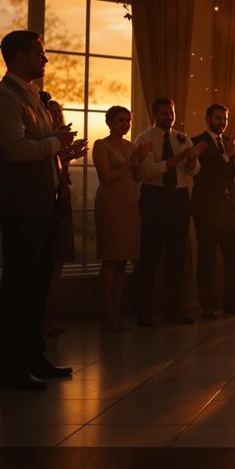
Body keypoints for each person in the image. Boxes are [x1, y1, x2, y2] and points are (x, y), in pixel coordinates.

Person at [0, 30, 76, 391]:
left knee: (37, 286)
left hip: (43, 202)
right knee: (18, 287)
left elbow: (39, 147)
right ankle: (12, 368)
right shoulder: (4, 97)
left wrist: (59, 152)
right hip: (21, 206)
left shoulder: (33, 97)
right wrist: (56, 141)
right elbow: (17, 149)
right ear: (18, 56)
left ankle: (34, 356)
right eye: (39, 53)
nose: (46, 59)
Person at [134, 97, 206, 326]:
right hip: (154, 198)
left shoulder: (182, 138)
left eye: (172, 113)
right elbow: (145, 172)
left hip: (179, 199)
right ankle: (144, 312)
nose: (170, 117)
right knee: (149, 257)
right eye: (165, 114)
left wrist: (192, 160)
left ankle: (175, 310)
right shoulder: (144, 139)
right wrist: (174, 161)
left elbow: (194, 172)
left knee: (177, 257)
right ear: (154, 115)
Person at [93, 106, 150, 332]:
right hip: (109, 204)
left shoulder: (131, 146)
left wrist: (141, 159)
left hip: (129, 205)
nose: (124, 125)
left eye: (127, 121)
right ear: (108, 121)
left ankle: (117, 313)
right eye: (119, 120)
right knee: (110, 259)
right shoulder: (101, 145)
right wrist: (131, 161)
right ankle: (107, 313)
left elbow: (136, 178)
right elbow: (106, 177)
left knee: (123, 261)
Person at [191, 104, 235, 319]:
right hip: (207, 209)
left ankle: (231, 303)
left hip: (230, 209)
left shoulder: (228, 142)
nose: (222, 123)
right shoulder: (196, 142)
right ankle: (207, 306)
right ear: (208, 119)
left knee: (232, 258)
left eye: (224, 119)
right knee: (206, 258)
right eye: (218, 118)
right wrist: (226, 155)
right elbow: (205, 175)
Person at [42, 98, 88, 337]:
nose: (57, 115)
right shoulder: (41, 142)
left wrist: (68, 156)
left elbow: (61, 172)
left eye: (59, 112)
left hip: (62, 198)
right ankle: (41, 319)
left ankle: (51, 317)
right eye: (52, 112)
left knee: (57, 264)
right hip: (47, 200)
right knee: (46, 264)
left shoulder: (56, 143)